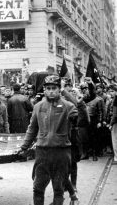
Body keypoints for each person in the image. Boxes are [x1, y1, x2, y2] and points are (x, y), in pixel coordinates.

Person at [18, 75, 87, 205]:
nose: (51, 91)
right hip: (42, 152)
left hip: (61, 153)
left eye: (54, 88)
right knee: (38, 188)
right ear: (44, 90)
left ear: (59, 89)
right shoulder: (38, 106)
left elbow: (83, 121)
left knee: (58, 189)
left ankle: (69, 197)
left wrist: (81, 104)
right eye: (48, 88)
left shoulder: (68, 106)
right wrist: (24, 147)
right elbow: (32, 128)